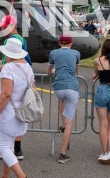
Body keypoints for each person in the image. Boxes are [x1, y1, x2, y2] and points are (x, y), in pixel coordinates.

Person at [0, 14, 31, 160]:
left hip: (7, 82)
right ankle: (17, 149)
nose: (3, 30)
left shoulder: (11, 40)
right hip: (20, 82)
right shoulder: (21, 39)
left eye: (4, 27)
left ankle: (2, 147)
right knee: (17, 115)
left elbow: (11, 64)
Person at [0, 37, 34, 178]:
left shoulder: (8, 68)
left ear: (8, 54)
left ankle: (22, 176)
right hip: (21, 111)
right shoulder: (27, 67)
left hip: (8, 112)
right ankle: (5, 175)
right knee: (8, 145)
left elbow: (5, 94)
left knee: (2, 146)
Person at [47, 34, 80, 164]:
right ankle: (62, 153)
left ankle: (63, 125)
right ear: (71, 44)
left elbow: (48, 72)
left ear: (60, 43)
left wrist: (57, 70)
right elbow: (76, 71)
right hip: (71, 86)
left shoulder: (53, 52)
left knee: (62, 101)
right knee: (70, 122)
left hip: (59, 88)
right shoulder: (76, 53)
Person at [93, 37, 110, 164]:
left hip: (103, 90)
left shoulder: (98, 60)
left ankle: (104, 152)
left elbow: (97, 74)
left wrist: (102, 53)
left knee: (103, 124)